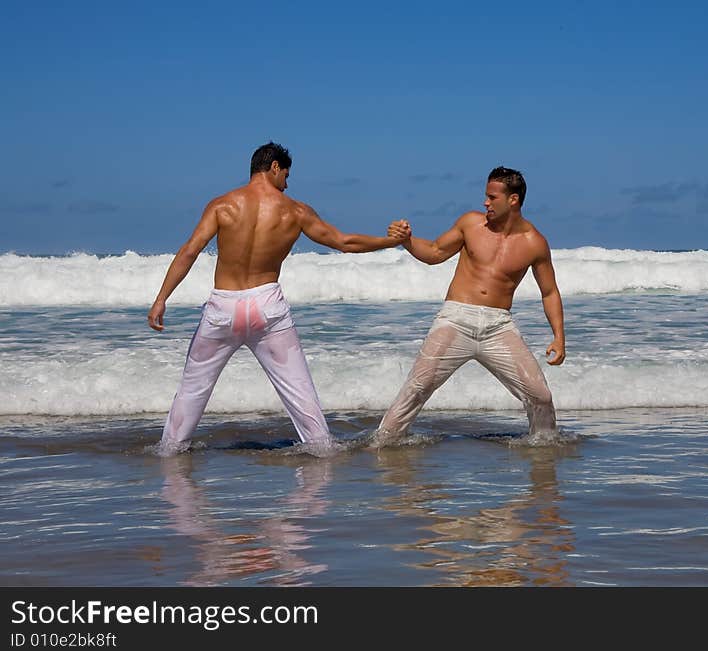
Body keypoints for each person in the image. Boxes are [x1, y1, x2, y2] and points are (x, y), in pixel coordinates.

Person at [148, 142, 410, 456]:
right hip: (267, 307)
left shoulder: (222, 205)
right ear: (274, 167)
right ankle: (322, 450)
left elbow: (190, 250)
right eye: (286, 174)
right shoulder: (295, 211)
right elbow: (344, 242)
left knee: (193, 388)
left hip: (223, 307)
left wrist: (162, 299)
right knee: (300, 392)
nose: (287, 183)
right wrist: (390, 241)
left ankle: (170, 451)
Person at [376, 166, 565, 444]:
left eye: (492, 197)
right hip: (455, 320)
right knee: (417, 387)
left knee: (540, 395)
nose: (485, 202)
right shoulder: (471, 224)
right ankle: (383, 443)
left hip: (499, 326)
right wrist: (407, 241)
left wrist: (559, 337)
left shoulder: (534, 243)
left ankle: (544, 448)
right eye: (485, 196)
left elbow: (549, 292)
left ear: (513, 200)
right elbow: (435, 252)